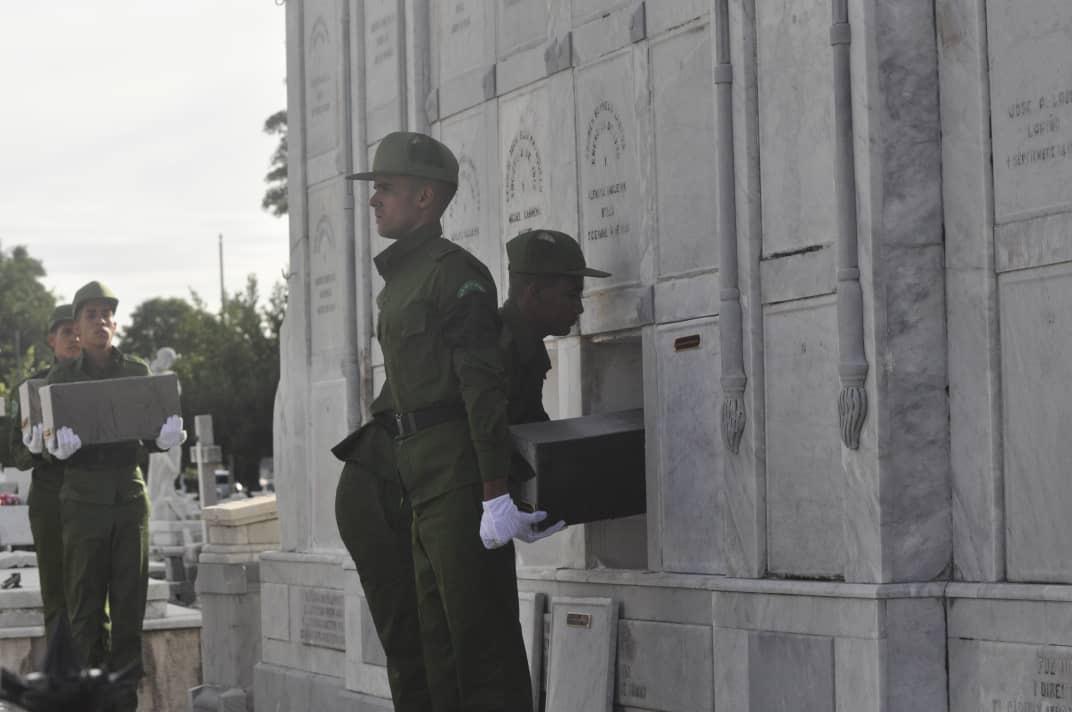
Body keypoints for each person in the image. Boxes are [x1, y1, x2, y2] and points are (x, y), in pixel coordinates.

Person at [332, 226, 609, 709]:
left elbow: (523, 436)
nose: (579, 307)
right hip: (383, 494)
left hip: (429, 491)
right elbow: (478, 428)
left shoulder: (523, 349)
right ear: (533, 292)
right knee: (426, 653)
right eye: (571, 293)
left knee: (452, 651)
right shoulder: (495, 341)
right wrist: (498, 496)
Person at [348, 131, 564, 711]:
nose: (374, 200)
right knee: (439, 649)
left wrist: (496, 493)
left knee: (482, 648)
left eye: (385, 189)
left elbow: (482, 390)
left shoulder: (456, 274)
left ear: (425, 197)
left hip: (458, 481)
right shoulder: (401, 279)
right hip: (417, 480)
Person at [42, 281, 185, 712]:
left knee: (129, 609)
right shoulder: (61, 377)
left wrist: (165, 439)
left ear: (115, 325)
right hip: (83, 498)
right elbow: (47, 438)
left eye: (107, 314)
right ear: (77, 328)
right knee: (85, 612)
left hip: (128, 496)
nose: (100, 321)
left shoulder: (137, 372)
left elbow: (152, 430)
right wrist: (55, 445)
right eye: (91, 315)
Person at [9, 304, 81, 640]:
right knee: (57, 595)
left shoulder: (108, 383)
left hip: (97, 496)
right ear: (51, 339)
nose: (75, 337)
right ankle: (61, 677)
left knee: (97, 594)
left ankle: (97, 677)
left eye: (79, 329)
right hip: (51, 499)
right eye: (67, 331)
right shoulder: (31, 388)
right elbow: (15, 454)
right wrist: (34, 449)